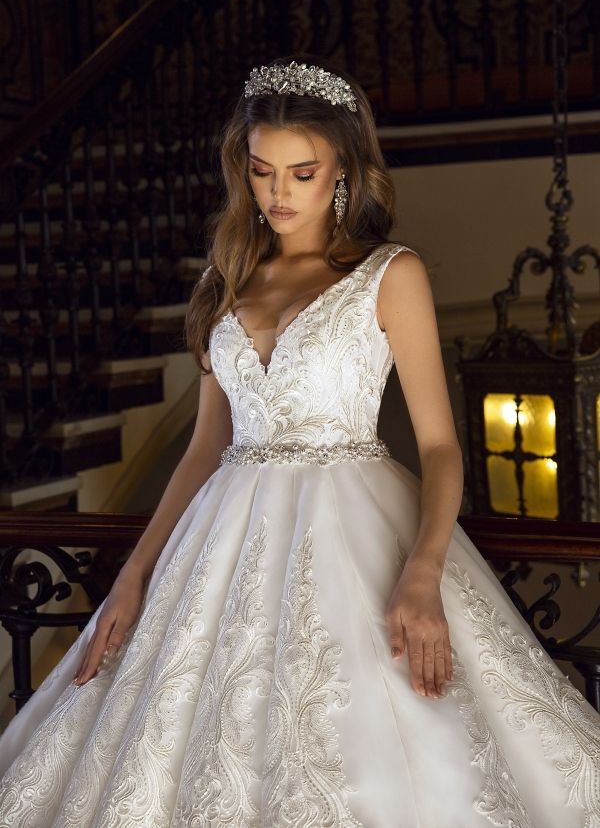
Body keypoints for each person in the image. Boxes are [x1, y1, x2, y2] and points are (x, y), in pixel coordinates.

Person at [0, 54, 598, 828]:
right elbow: (205, 446)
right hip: (221, 543)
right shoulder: (225, 278)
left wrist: (422, 571)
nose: (278, 194)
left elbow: (443, 448)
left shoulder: (391, 274)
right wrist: (133, 575)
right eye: (261, 171)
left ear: (343, 169)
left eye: (303, 173)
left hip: (356, 532)